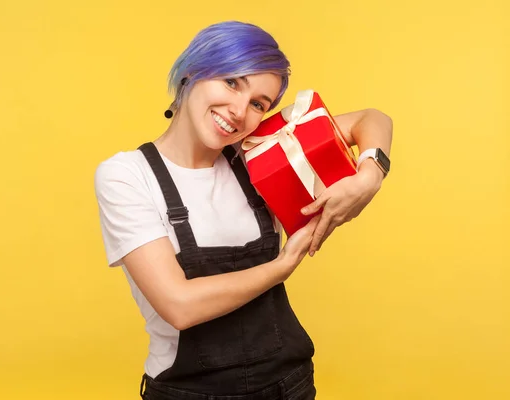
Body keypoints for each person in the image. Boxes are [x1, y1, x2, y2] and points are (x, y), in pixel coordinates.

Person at [94, 20, 393, 400]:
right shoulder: (126, 175)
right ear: (192, 71)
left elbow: (373, 119)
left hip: (289, 385)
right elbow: (178, 305)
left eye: (258, 104)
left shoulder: (256, 152)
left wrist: (371, 173)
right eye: (231, 81)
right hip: (188, 392)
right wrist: (282, 266)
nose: (238, 111)